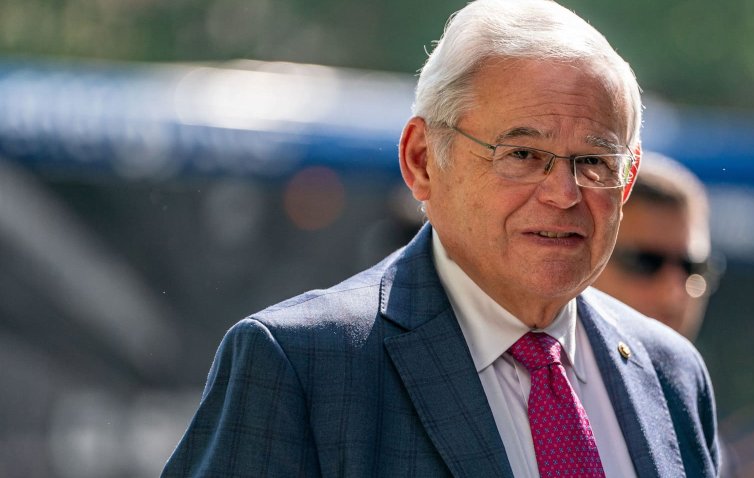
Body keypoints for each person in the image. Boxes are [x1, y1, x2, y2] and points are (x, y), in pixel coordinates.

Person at [162, 1, 721, 476]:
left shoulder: (670, 372)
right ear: (422, 160)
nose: (563, 193)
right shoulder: (303, 366)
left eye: (594, 161)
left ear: (627, 179)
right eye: (523, 154)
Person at [593, 152, 716, 340]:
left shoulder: (690, 368)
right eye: (645, 262)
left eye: (692, 267)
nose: (673, 295)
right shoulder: (547, 366)